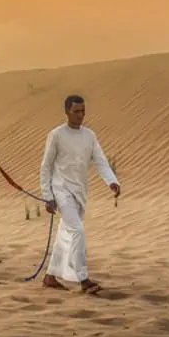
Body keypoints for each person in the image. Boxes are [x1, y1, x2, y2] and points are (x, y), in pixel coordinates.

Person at [39, 94, 121, 295]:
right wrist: (47, 195)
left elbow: (100, 160)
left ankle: (50, 276)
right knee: (77, 231)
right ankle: (83, 279)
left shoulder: (89, 136)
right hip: (61, 190)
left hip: (80, 192)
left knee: (65, 234)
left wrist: (112, 181)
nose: (80, 115)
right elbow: (46, 166)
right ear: (67, 111)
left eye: (83, 111)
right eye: (76, 111)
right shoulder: (56, 135)